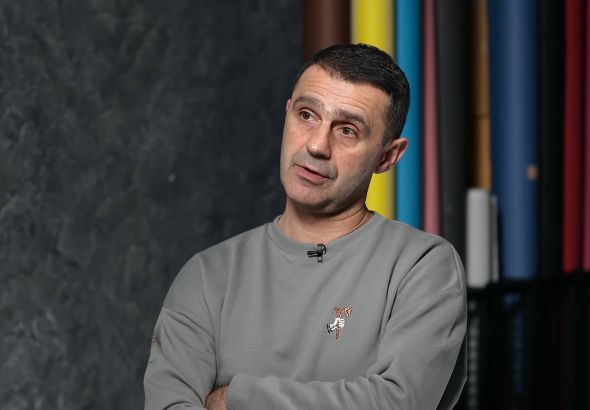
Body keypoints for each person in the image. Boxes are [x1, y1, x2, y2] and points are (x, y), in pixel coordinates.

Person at [144, 43, 467, 410]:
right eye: (307, 115)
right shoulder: (207, 276)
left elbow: (395, 403)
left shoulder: (422, 267)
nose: (316, 145)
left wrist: (237, 398)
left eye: (347, 130)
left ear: (387, 156)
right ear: (287, 114)